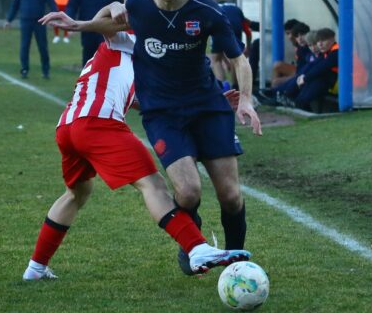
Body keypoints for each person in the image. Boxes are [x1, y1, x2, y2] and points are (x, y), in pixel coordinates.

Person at [41, 0, 262, 276]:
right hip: (163, 113)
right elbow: (111, 20)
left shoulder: (206, 11)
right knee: (187, 192)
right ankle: (194, 244)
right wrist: (78, 24)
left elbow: (239, 60)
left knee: (231, 195)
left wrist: (245, 99)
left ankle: (238, 265)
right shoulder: (140, 4)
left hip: (207, 106)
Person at [22, 19, 251, 281]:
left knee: (76, 194)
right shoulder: (125, 38)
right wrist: (116, 10)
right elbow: (108, 21)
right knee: (153, 185)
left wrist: (208, 103)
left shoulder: (130, 60)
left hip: (68, 127)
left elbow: (144, 102)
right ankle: (196, 248)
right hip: (99, 125)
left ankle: (35, 268)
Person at [4, 0, 58, 79]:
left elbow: (51, 2)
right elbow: (15, 5)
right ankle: (24, 69)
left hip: (40, 21)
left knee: (42, 46)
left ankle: (45, 70)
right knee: (24, 46)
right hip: (25, 21)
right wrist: (9, 19)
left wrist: (56, 16)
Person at [210, 1, 259, 90]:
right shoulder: (237, 10)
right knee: (235, 58)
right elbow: (248, 32)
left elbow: (220, 48)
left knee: (216, 59)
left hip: (218, 24)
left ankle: (224, 87)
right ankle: (235, 87)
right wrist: (248, 48)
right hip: (236, 27)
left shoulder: (216, 7)